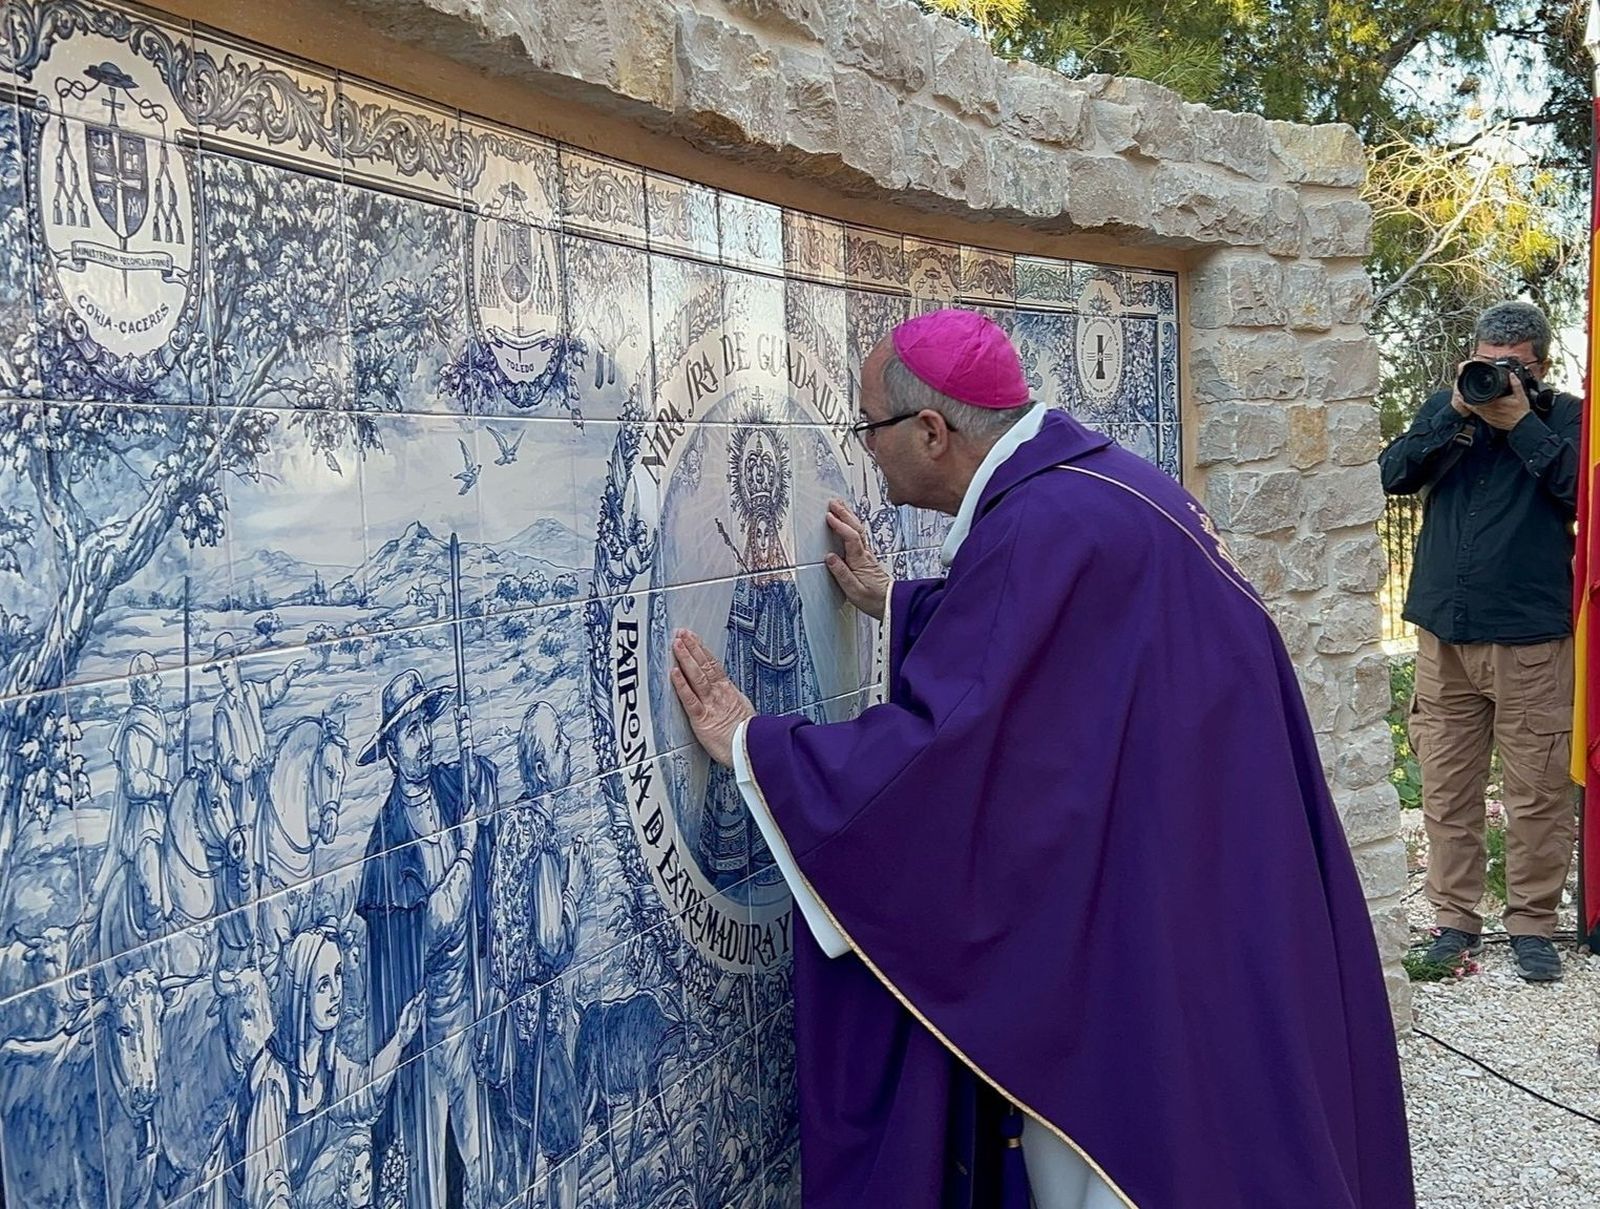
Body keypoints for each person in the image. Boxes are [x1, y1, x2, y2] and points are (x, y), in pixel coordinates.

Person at [669, 308, 1414, 1208]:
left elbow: (947, 756)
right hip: (1210, 880)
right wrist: (901, 603)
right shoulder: (1097, 488)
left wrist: (759, 745)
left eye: (870, 426)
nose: (865, 449)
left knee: (1133, 1154)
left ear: (932, 432)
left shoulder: (1037, 527)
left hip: (1139, 942)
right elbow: (1056, 663)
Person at [1379, 301, 1580, 983]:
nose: (1498, 376)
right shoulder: (1449, 408)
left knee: (1536, 793)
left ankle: (1532, 925)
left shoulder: (1569, 418)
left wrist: (1521, 424)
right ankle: (1454, 920)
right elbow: (1392, 474)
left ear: (1540, 367)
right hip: (1445, 633)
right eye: (1486, 362)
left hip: (1530, 638)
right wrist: (1455, 414)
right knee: (1446, 788)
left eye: (1513, 367)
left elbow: (1582, 495)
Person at [355, 669, 497, 1208]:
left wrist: (469, 742)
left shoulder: (446, 788)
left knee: (480, 1155)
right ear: (391, 751)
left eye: (426, 726)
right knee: (430, 1164)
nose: (425, 739)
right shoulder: (387, 841)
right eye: (411, 731)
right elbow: (433, 921)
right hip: (425, 1029)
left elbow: (485, 783)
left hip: (467, 1009)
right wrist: (466, 852)